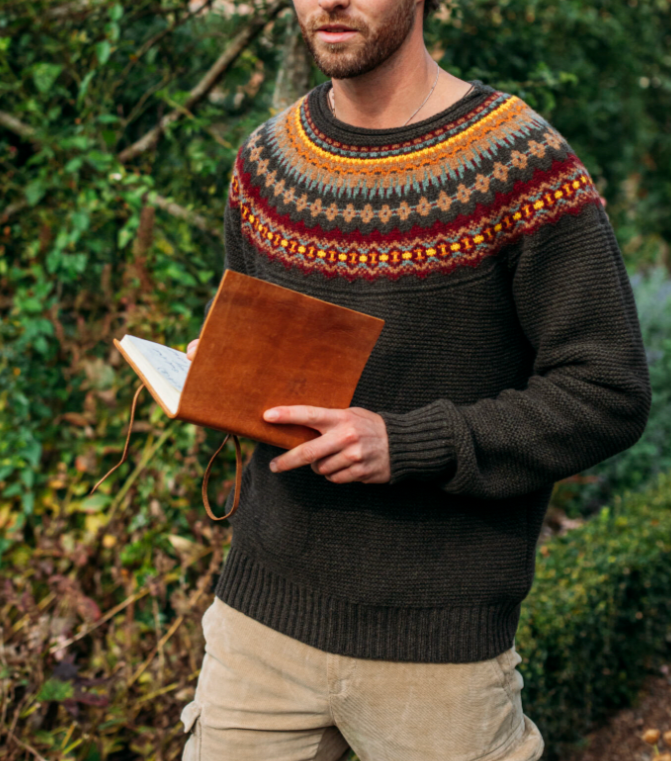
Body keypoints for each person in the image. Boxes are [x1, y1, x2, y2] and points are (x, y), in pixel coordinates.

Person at [180, 0, 652, 758]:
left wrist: (408, 443)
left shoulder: (518, 164)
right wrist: (220, 369)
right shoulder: (265, 160)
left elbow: (606, 390)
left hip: (437, 654)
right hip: (255, 631)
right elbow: (270, 352)